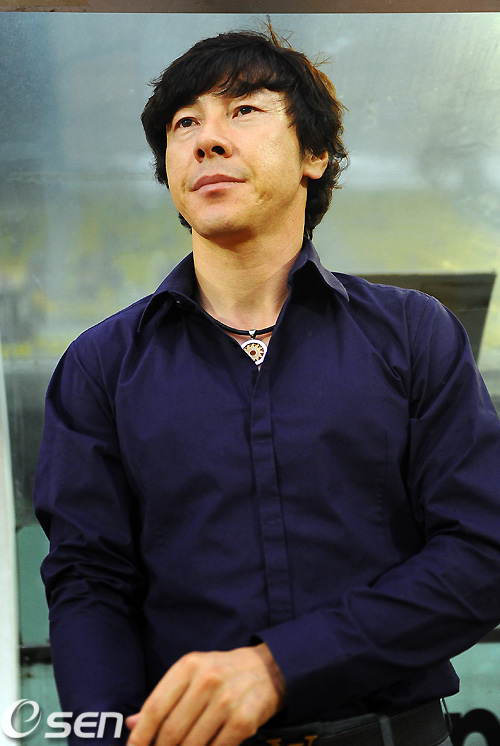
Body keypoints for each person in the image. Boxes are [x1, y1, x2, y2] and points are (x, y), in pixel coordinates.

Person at [34, 24, 500, 746]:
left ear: (315, 155)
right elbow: (88, 583)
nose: (206, 140)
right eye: (185, 123)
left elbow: (482, 554)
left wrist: (278, 667)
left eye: (244, 110)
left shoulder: (414, 333)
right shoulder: (99, 365)